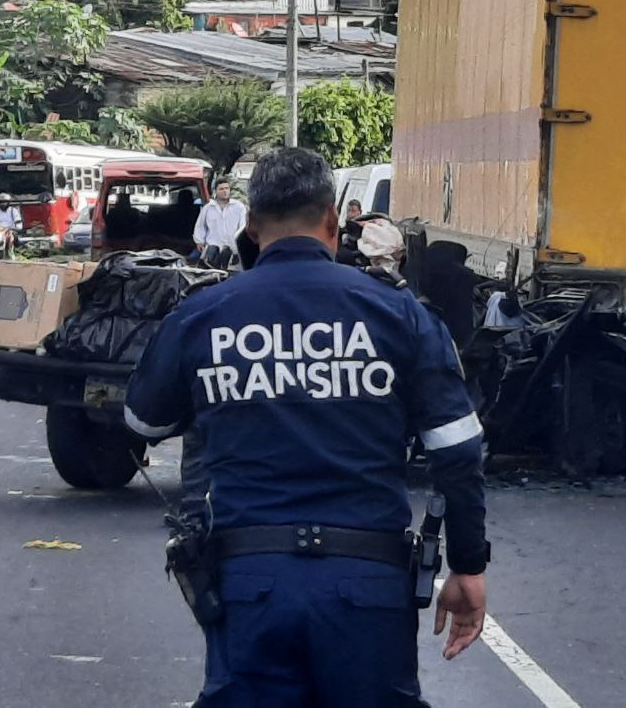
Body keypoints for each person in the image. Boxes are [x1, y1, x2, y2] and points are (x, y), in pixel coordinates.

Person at [126, 148, 489, 706]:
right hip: (368, 586)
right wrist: (467, 565)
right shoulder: (398, 314)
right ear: (333, 220)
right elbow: (457, 450)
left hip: (250, 584)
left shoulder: (206, 313)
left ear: (250, 225)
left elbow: (142, 419)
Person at [192, 178, 247, 269]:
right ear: (215, 191)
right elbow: (200, 226)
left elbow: (243, 227)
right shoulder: (208, 208)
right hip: (212, 250)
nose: (225, 191)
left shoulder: (239, 207)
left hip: (233, 250)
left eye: (227, 188)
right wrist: (199, 242)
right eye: (221, 189)